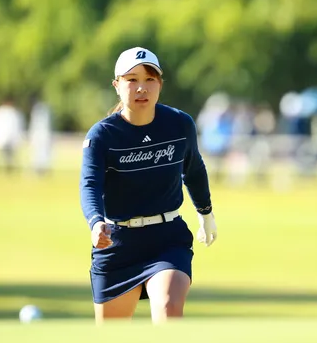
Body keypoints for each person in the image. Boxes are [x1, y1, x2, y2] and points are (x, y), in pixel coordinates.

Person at [79, 46, 218, 324]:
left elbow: (193, 170)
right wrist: (95, 223)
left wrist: (206, 214)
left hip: (167, 239)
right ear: (117, 85)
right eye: (132, 80)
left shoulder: (179, 124)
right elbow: (90, 184)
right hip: (117, 244)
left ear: (160, 84)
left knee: (168, 306)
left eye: (150, 79)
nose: (141, 87)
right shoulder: (102, 135)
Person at [0, 97, 25, 173]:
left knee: (11, 156)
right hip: (2, 138)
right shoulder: (0, 112)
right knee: (3, 155)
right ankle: (4, 168)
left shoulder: (14, 113)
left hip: (11, 139)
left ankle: (9, 168)